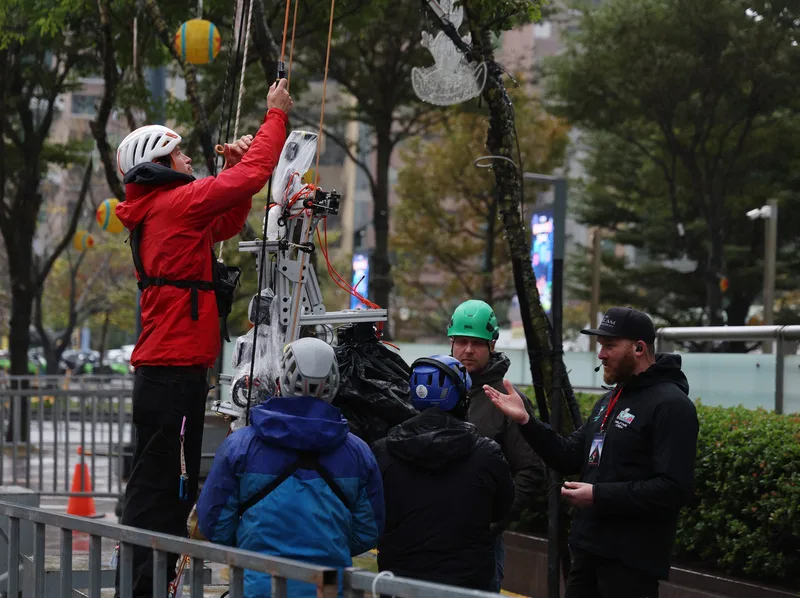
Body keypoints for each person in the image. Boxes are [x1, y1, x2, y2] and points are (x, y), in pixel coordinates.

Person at [113, 79, 293, 596]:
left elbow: (230, 218)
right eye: (181, 153)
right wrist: (274, 117)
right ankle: (146, 585)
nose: (191, 159)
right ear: (161, 164)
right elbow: (255, 176)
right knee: (164, 486)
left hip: (171, 370)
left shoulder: (167, 212)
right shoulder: (175, 206)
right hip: (172, 372)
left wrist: (236, 170)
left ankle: (146, 580)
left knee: (170, 482)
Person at [484, 306, 699, 598]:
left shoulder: (672, 406)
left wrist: (599, 496)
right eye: (601, 346)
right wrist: (526, 421)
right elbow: (568, 454)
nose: (601, 354)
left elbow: (673, 489)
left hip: (630, 563)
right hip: (587, 553)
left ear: (639, 348)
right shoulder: (610, 401)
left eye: (610, 346)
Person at [197, 337, 384, 598]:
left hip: (258, 584)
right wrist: (330, 547)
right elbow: (368, 530)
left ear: (279, 382)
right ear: (335, 385)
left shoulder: (240, 446)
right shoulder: (358, 452)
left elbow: (214, 524)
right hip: (328, 587)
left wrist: (253, 547)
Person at [372, 354, 514, 591]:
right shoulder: (486, 454)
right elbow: (501, 509)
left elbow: (373, 512)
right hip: (468, 584)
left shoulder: (383, 451)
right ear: (461, 397)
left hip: (399, 582)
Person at [446, 299, 546, 591]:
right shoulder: (436, 388)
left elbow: (531, 471)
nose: (467, 350)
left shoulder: (507, 400)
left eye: (476, 343)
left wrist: (493, 521)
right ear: (451, 343)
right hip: (431, 537)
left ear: (491, 346)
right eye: (461, 341)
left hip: (481, 546)